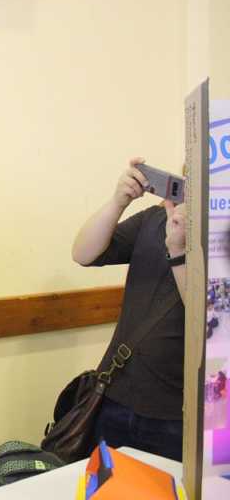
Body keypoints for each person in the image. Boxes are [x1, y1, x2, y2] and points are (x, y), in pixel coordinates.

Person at [71, 157, 186, 461]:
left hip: (178, 414)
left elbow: (211, 317)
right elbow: (83, 253)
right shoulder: (154, 218)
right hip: (114, 394)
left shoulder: (221, 240)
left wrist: (178, 250)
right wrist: (117, 202)